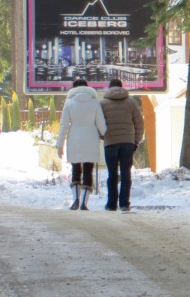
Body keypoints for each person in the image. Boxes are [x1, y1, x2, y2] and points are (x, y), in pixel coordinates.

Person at [57, 78, 107, 210]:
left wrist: (60, 144)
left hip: (74, 138)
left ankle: (76, 199)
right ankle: (85, 202)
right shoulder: (94, 102)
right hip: (91, 138)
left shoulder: (69, 103)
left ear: (73, 89)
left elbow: (64, 126)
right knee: (88, 169)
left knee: (76, 169)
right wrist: (106, 136)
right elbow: (101, 124)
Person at [100, 78, 144, 212]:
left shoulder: (103, 103)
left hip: (110, 142)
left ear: (109, 88)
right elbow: (139, 123)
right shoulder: (131, 103)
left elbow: (99, 123)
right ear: (122, 87)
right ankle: (124, 203)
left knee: (112, 174)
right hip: (127, 142)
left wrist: (103, 136)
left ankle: (111, 204)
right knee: (126, 173)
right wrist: (136, 140)